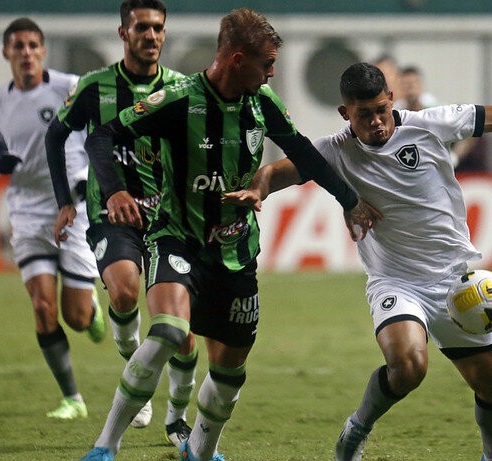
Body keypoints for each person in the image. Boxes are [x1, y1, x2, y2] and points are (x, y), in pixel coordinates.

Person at [224, 62, 492, 461]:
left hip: (456, 283)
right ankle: (357, 428)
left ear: (391, 100)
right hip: (396, 282)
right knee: (409, 365)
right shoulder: (334, 150)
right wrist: (257, 191)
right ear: (346, 114)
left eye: (381, 110)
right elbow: (274, 173)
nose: (377, 122)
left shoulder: (431, 124)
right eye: (364, 115)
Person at [79, 8, 379, 461]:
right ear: (237, 59)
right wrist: (117, 191)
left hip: (235, 251)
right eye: (266, 63)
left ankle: (199, 451)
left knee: (229, 372)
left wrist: (348, 200)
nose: (272, 72)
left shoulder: (264, 105)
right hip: (177, 238)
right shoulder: (177, 100)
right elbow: (101, 136)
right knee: (166, 331)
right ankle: (105, 446)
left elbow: (304, 154)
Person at [45, 0, 197, 443]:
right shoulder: (96, 87)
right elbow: (56, 136)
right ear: (123, 33)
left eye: (158, 29)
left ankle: (177, 417)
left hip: (168, 219)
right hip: (111, 216)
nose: (151, 36)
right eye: (142, 28)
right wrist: (64, 202)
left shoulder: (181, 88)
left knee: (183, 335)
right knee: (126, 290)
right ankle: (139, 378)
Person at [0, 17, 105, 420]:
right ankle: (72, 399)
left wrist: (89, 177)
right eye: (18, 46)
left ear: (43, 50)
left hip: (76, 210)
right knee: (42, 307)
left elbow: (100, 130)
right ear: (6, 53)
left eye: (33, 45)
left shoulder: (69, 87)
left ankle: (92, 310)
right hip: (28, 215)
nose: (26, 53)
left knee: (76, 317)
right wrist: (0, 163)